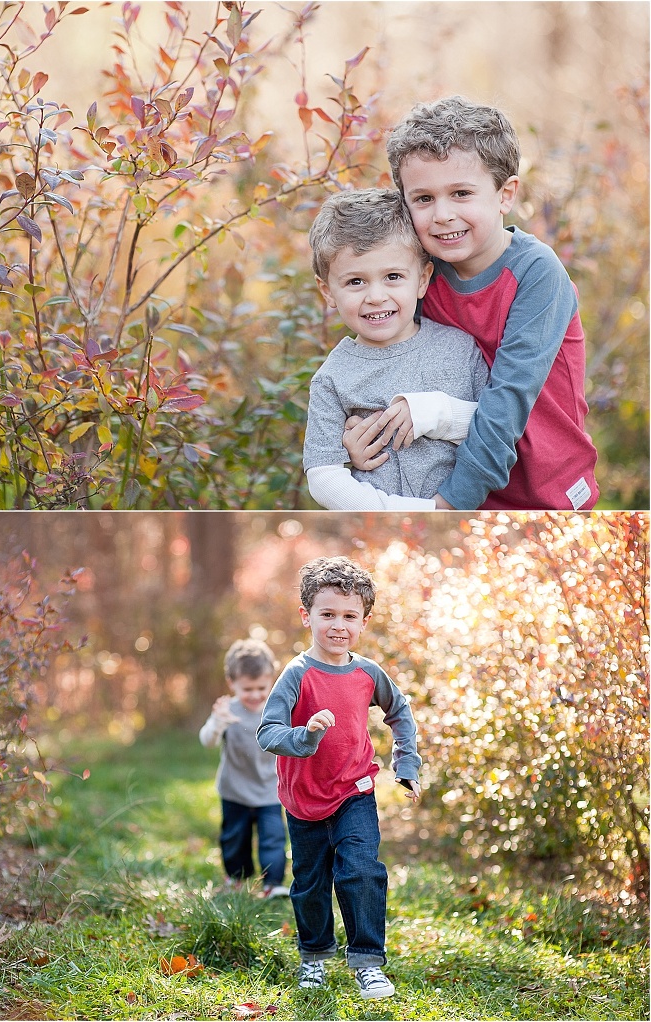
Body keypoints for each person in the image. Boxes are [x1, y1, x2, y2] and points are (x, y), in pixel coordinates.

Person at [343, 95, 599, 511]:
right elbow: (381, 365)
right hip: (450, 485)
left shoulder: (537, 274)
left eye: (461, 193)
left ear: (505, 193)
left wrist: (451, 505)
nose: (442, 214)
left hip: (543, 492)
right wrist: (358, 435)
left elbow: (506, 404)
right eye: (423, 199)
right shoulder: (420, 275)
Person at [256, 557, 421, 1000]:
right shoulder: (297, 674)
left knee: (362, 871)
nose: (338, 625)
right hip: (305, 798)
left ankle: (368, 962)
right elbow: (267, 732)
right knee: (310, 882)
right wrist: (306, 735)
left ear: (364, 621)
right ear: (306, 615)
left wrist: (405, 765)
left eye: (349, 616)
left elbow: (400, 713)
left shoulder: (367, 672)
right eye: (327, 614)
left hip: (355, 790)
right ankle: (314, 957)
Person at [304, 187, 490, 511]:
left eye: (392, 276)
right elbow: (323, 476)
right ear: (327, 291)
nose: (375, 296)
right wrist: (394, 509)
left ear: (422, 279)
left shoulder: (459, 350)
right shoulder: (332, 378)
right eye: (355, 282)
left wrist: (435, 413)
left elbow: (495, 429)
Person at [199, 638, 289, 898]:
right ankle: (237, 879)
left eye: (261, 687)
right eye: (247, 689)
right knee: (234, 839)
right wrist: (218, 723)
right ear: (232, 683)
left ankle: (272, 883)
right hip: (235, 790)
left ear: (271, 680)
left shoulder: (277, 709)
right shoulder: (226, 710)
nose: (255, 695)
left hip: (269, 790)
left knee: (273, 838)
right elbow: (207, 740)